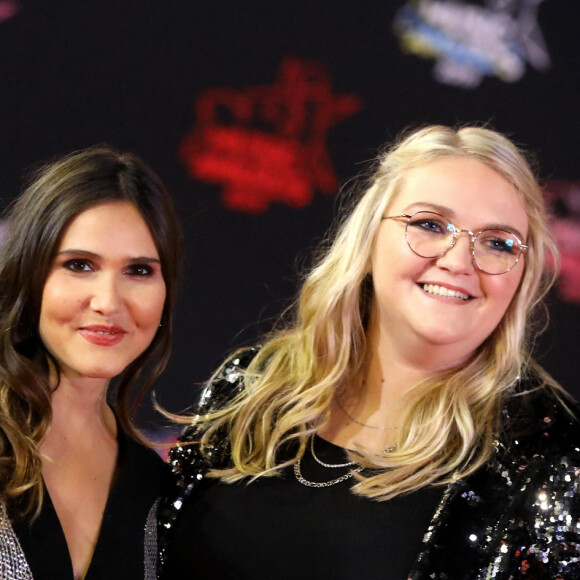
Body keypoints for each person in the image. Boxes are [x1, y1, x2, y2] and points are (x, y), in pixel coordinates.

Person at [159, 125, 580, 579]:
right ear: (369, 236)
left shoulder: (550, 456)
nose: (458, 261)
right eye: (430, 225)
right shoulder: (250, 386)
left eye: (498, 243)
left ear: (523, 273)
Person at [0, 146, 181, 580]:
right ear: (30, 273)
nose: (108, 302)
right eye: (79, 265)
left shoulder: (153, 485)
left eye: (138, 271)